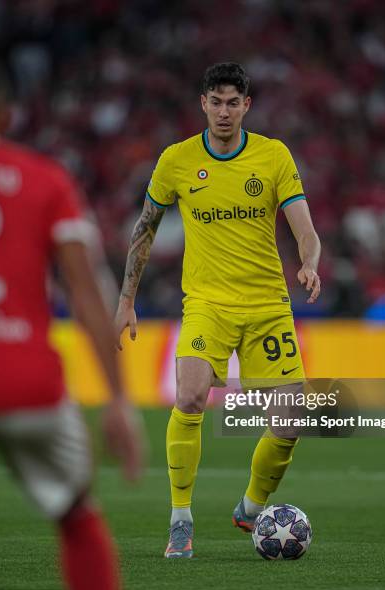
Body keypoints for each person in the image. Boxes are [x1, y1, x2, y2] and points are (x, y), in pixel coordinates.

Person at [115, 62, 321, 559]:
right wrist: (126, 299)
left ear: (246, 106)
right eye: (216, 101)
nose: (224, 111)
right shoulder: (176, 160)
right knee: (188, 396)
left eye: (233, 102)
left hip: (268, 304)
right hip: (207, 303)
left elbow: (304, 228)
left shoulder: (273, 156)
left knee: (290, 424)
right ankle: (180, 520)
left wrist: (310, 263)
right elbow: (145, 230)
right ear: (202, 103)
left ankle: (251, 509)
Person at [0, 53, 145, 590]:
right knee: (77, 515)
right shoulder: (45, 179)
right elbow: (87, 293)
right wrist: (119, 399)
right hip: (29, 383)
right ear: (3, 112)